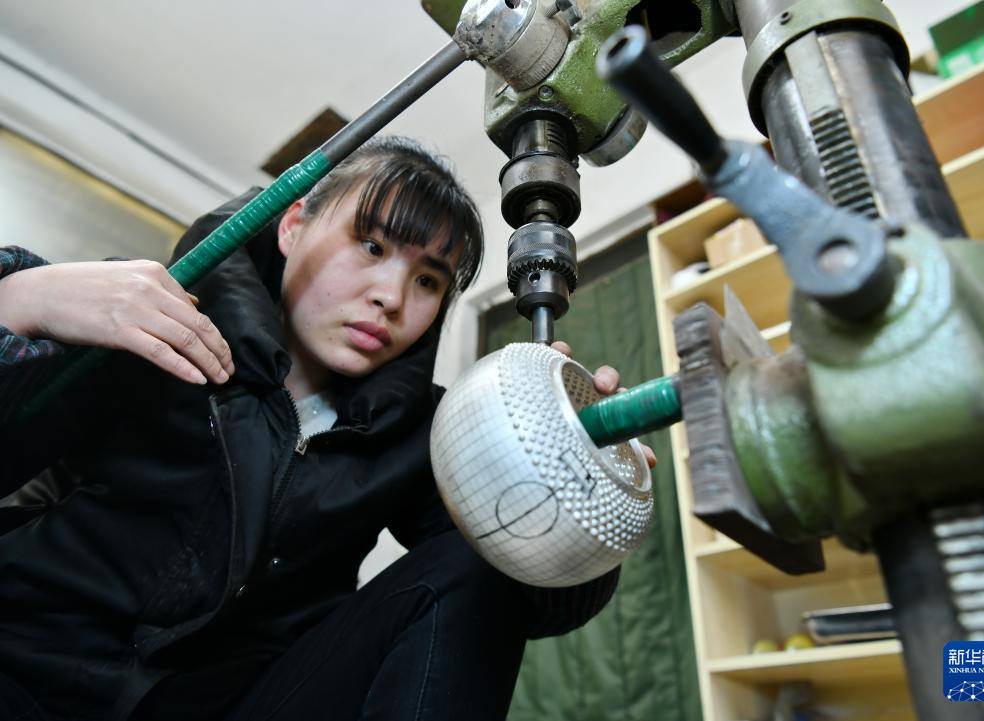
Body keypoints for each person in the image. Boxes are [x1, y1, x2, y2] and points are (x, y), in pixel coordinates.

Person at [0, 137, 639, 721]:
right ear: (293, 225)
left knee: (470, 566)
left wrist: (574, 473)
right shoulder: (158, 319)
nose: (392, 297)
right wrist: (21, 300)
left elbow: (529, 602)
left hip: (233, 705)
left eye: (427, 280)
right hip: (28, 666)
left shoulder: (429, 434)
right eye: (372, 247)